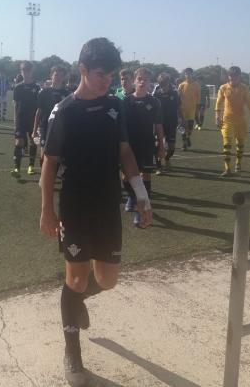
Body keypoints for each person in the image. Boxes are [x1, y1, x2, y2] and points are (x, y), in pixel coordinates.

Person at [40, 37, 152, 386]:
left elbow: (126, 154)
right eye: (102, 74)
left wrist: (142, 196)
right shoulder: (64, 111)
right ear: (83, 70)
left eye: (113, 75)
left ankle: (77, 301)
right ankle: (72, 352)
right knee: (74, 278)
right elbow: (49, 163)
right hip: (74, 205)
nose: (108, 81)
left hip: (107, 204)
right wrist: (46, 209)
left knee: (107, 280)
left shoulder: (115, 109)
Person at [121, 67, 164, 226]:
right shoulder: (126, 101)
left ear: (150, 82)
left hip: (146, 144)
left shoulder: (154, 102)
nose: (142, 80)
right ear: (134, 80)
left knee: (145, 175)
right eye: (139, 77)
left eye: (146, 78)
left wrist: (161, 146)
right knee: (126, 177)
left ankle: (143, 209)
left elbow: (158, 125)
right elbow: (120, 125)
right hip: (128, 146)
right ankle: (132, 198)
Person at [215, 66, 250, 176]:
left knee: (240, 143)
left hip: (240, 120)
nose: (233, 78)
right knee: (227, 143)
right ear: (228, 76)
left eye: (236, 76)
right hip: (227, 120)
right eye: (231, 75)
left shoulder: (244, 88)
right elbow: (218, 103)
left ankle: (238, 163)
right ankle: (227, 169)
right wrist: (217, 116)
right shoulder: (223, 88)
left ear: (239, 76)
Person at [33, 65, 69, 168]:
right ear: (51, 76)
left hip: (60, 128)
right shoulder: (44, 92)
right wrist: (34, 130)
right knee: (44, 153)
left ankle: (52, 176)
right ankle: (43, 176)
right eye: (56, 75)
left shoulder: (66, 94)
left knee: (58, 155)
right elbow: (39, 112)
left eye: (61, 76)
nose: (58, 78)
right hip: (45, 126)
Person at [11, 61, 40, 177]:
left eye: (28, 70)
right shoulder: (17, 87)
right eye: (24, 71)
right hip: (20, 119)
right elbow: (16, 105)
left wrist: (38, 122)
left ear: (31, 71)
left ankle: (31, 166)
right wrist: (15, 119)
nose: (26, 73)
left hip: (33, 119)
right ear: (21, 71)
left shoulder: (37, 87)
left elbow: (40, 106)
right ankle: (17, 168)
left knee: (33, 142)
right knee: (19, 143)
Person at [152, 72, 179, 173]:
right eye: (161, 84)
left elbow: (178, 107)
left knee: (172, 147)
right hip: (159, 123)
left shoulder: (174, 93)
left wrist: (182, 119)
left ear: (168, 82)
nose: (163, 86)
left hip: (172, 123)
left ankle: (167, 159)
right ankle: (158, 167)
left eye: (165, 83)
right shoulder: (156, 94)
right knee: (158, 144)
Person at [177, 67, 200, 150]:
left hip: (192, 109)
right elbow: (178, 98)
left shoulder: (196, 85)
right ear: (185, 74)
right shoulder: (181, 85)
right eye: (186, 73)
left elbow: (198, 97)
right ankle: (184, 143)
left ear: (192, 74)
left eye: (190, 73)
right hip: (182, 109)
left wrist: (197, 109)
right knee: (182, 126)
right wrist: (178, 109)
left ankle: (188, 137)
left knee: (190, 127)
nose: (188, 75)